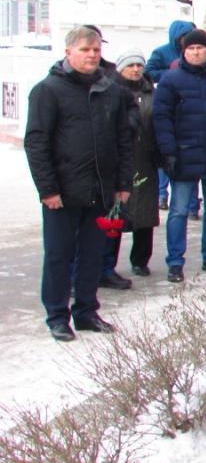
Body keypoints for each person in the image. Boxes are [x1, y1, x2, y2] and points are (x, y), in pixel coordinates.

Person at [25, 26, 132, 341]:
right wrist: (48, 190)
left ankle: (86, 312)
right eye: (85, 49)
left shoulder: (110, 91)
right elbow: (37, 143)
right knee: (59, 255)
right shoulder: (48, 90)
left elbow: (122, 141)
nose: (91, 55)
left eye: (96, 50)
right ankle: (58, 316)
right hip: (63, 192)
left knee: (92, 253)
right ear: (68, 51)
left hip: (100, 190)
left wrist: (122, 183)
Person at [153, 29, 206, 283]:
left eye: (200, 48)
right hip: (183, 154)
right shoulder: (171, 80)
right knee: (178, 210)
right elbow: (161, 118)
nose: (195, 52)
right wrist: (168, 151)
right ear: (184, 51)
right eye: (191, 48)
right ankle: (175, 262)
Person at [108, 46, 161, 278]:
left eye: (139, 65)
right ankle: (107, 263)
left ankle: (140, 260)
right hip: (119, 160)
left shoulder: (152, 92)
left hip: (146, 159)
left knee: (145, 214)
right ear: (121, 68)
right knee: (116, 212)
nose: (136, 69)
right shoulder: (110, 91)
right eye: (130, 65)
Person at [145, 20, 197, 213]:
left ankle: (194, 204)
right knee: (166, 158)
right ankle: (161, 195)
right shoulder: (162, 52)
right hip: (170, 107)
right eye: (184, 36)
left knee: (195, 166)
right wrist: (171, 73)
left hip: (192, 112)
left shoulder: (198, 53)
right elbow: (149, 71)